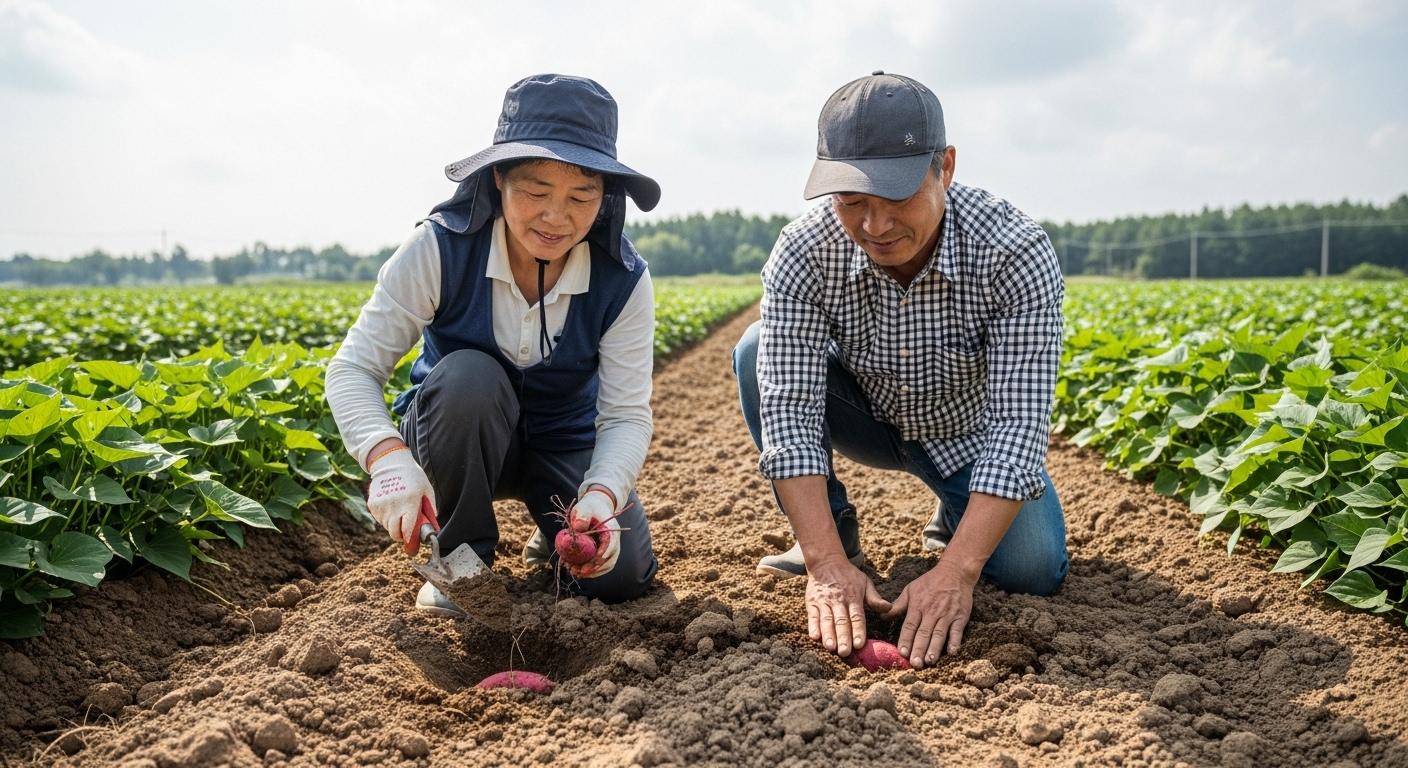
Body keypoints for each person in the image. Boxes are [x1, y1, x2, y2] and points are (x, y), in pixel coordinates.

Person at [733, 71, 1068, 669]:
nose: (875, 226)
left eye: (897, 198)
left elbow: (1018, 426)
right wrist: (824, 562)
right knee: (758, 351)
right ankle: (837, 533)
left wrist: (959, 570)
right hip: (866, 412)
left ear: (947, 167)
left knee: (1032, 570)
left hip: (965, 434)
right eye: (852, 202)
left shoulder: (1013, 251)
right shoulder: (804, 251)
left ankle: (956, 514)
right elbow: (790, 408)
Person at [326, 74, 661, 617]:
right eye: (535, 192)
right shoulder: (438, 248)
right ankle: (460, 565)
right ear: (499, 178)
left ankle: (553, 528)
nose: (557, 217)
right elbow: (352, 369)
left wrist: (600, 496)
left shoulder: (622, 279)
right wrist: (386, 457)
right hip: (457, 436)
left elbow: (625, 415)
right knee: (468, 380)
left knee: (620, 578)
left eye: (581, 196)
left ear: (605, 198)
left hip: (561, 441)